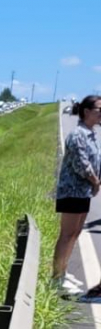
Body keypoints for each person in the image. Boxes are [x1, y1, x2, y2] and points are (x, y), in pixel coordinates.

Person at [53, 95, 101, 297]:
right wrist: (95, 181)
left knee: (75, 233)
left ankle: (63, 272)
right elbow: (81, 164)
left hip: (83, 192)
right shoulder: (78, 135)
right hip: (72, 191)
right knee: (67, 234)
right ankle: (56, 278)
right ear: (86, 111)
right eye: (99, 108)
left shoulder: (91, 134)